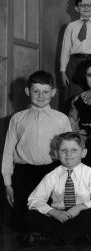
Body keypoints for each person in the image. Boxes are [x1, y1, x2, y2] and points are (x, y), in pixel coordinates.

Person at [2, 71, 72, 227]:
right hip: (23, 173)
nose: (41, 96)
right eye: (36, 91)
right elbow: (7, 152)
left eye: (45, 91)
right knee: (21, 223)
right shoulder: (17, 119)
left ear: (53, 92)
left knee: (52, 218)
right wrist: (8, 184)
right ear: (28, 92)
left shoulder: (62, 119)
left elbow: (70, 150)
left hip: (52, 172)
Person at [23, 132, 91, 245]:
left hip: (80, 215)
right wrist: (53, 212)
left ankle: (51, 238)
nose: (68, 154)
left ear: (83, 153)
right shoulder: (52, 175)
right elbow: (34, 200)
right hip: (58, 216)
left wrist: (80, 207)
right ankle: (74, 236)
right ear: (56, 153)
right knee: (31, 216)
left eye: (74, 150)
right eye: (63, 150)